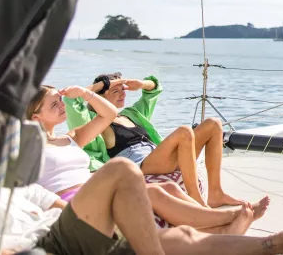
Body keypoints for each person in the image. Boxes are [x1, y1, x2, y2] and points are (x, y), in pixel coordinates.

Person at [27, 84, 268, 231]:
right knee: (152, 190)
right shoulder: (29, 146)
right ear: (35, 117)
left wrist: (85, 94)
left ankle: (218, 226)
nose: (62, 106)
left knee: (166, 190)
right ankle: (230, 216)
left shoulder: (71, 138)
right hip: (75, 198)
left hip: (96, 189)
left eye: (60, 101)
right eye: (54, 104)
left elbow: (108, 113)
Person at [0, 158, 283, 255]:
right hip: (42, 245)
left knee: (181, 237)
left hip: (58, 228)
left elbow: (57, 204)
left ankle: (279, 244)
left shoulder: (12, 188)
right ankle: (229, 217)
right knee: (122, 170)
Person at [64, 73, 243, 208]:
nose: (122, 94)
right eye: (115, 91)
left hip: (158, 156)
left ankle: (215, 194)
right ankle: (196, 199)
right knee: (184, 132)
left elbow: (153, 90)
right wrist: (101, 85)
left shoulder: (132, 113)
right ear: (100, 97)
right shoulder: (93, 121)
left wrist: (140, 84)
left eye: (122, 90)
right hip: (139, 164)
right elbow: (72, 98)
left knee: (213, 124)